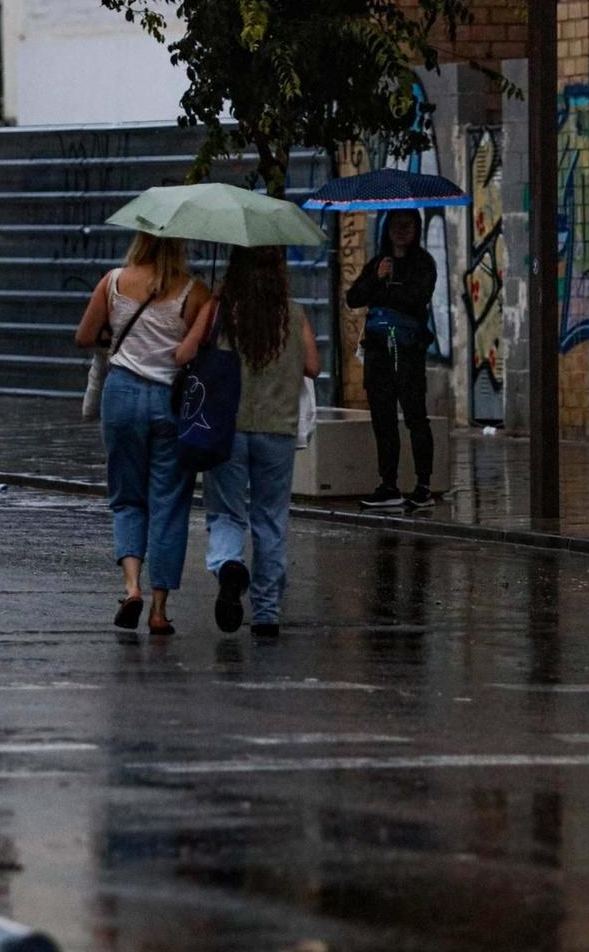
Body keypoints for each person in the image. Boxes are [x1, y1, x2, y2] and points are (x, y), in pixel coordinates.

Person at [177, 246, 320, 637]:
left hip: (228, 429)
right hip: (278, 429)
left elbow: (184, 354)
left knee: (226, 513)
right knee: (270, 519)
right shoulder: (293, 311)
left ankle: (228, 566)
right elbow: (313, 366)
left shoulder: (221, 309)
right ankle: (267, 614)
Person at [74, 233, 211, 635]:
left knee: (127, 497)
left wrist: (118, 337)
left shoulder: (114, 281)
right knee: (169, 502)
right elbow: (203, 348)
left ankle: (131, 588)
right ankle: (159, 609)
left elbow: (84, 337)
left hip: (121, 395)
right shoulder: (195, 291)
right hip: (171, 401)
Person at [345, 209, 439, 509]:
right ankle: (388, 484)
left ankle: (423, 485)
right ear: (387, 229)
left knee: (414, 415)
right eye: (396, 226)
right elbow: (354, 297)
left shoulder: (423, 263)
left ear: (416, 230)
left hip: (407, 350)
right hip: (377, 349)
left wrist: (388, 292)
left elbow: (416, 298)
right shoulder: (379, 263)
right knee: (382, 418)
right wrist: (377, 278)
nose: (401, 231)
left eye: (407, 226)